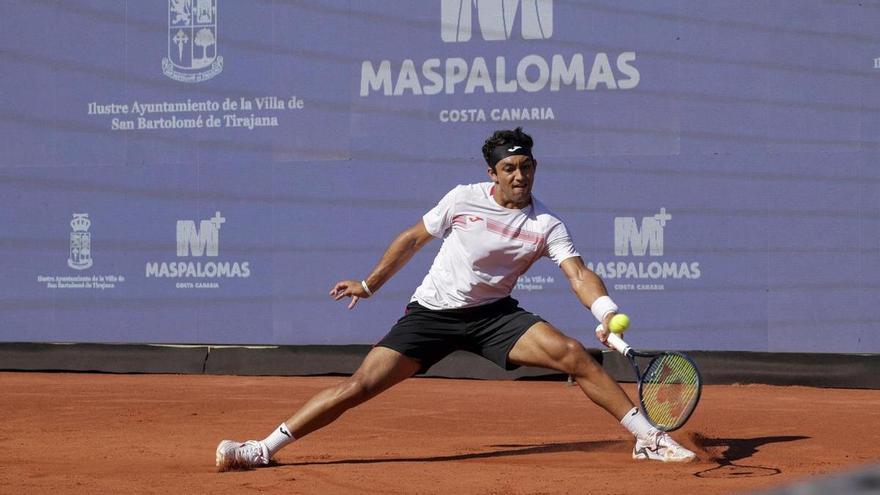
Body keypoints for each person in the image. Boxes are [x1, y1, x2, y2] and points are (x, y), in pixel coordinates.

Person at [215, 127, 695, 471]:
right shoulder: (463, 199)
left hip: (494, 317)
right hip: (432, 315)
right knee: (358, 387)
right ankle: (262, 448)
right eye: (509, 168)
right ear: (493, 172)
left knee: (575, 356)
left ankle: (648, 438)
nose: (519, 175)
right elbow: (411, 239)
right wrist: (369, 284)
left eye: (526, 166)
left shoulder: (545, 224)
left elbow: (578, 272)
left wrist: (604, 312)